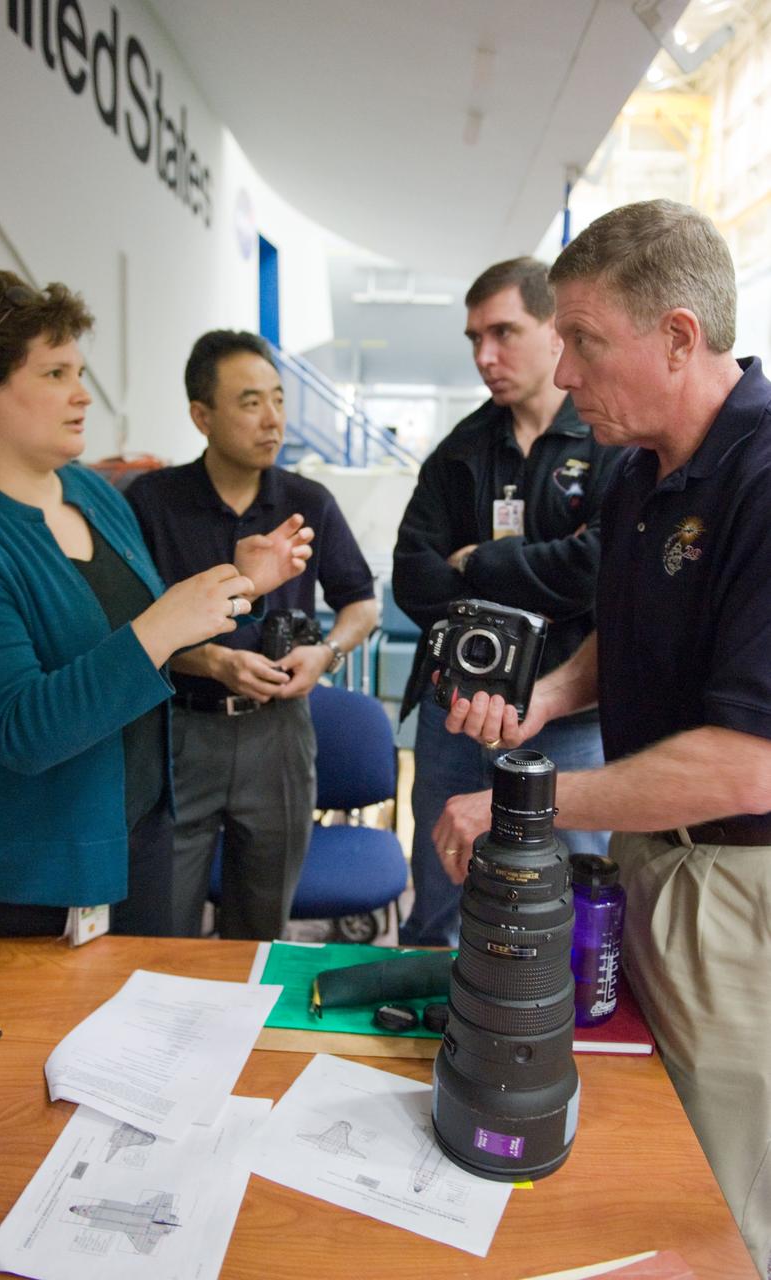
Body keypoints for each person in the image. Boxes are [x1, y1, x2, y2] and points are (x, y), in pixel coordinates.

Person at [434, 200, 771, 1278]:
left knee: (716, 1186)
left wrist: (527, 803)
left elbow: (745, 756)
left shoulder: (763, 484)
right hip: (640, 869)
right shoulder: (632, 472)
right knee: (625, 1135)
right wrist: (542, 700)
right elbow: (622, 645)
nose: (563, 372)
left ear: (677, 336)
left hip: (736, 896)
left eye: (583, 340)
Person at [0, 271, 312, 940]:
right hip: (24, 875)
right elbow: (22, 727)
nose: (81, 395)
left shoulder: (91, 493)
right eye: (53, 374)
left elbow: (144, 631)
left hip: (138, 832)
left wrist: (239, 585)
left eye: (79, 370)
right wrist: (159, 627)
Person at [392, 257, 621, 947]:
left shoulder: (608, 436)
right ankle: (423, 1025)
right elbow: (412, 576)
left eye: (503, 332)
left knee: (570, 902)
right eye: (473, 339)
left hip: (566, 712)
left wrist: (481, 562)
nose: (484, 357)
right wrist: (548, 567)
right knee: (440, 897)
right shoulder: (461, 452)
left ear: (556, 328)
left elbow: (601, 570)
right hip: (455, 711)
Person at [126, 330, 378, 940]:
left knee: (261, 928)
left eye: (278, 400)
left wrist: (328, 652)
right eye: (249, 403)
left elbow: (362, 605)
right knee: (156, 924)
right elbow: (127, 627)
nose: (273, 420)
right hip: (178, 729)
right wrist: (210, 661)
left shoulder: (306, 501)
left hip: (278, 732)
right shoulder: (152, 502)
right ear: (201, 416)